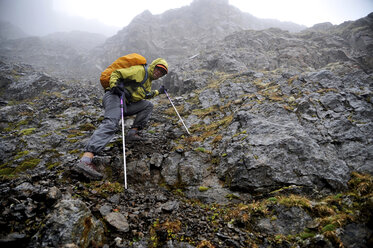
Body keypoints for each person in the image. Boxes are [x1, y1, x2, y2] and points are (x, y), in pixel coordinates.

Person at [75, 58, 169, 180]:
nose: (159, 73)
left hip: (126, 103)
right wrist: (115, 86)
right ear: (154, 66)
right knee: (111, 122)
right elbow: (117, 73)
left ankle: (132, 133)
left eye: (162, 72)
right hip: (114, 96)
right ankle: (86, 159)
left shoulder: (147, 81)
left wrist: (158, 92)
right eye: (158, 69)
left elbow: (144, 95)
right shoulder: (140, 70)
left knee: (148, 106)